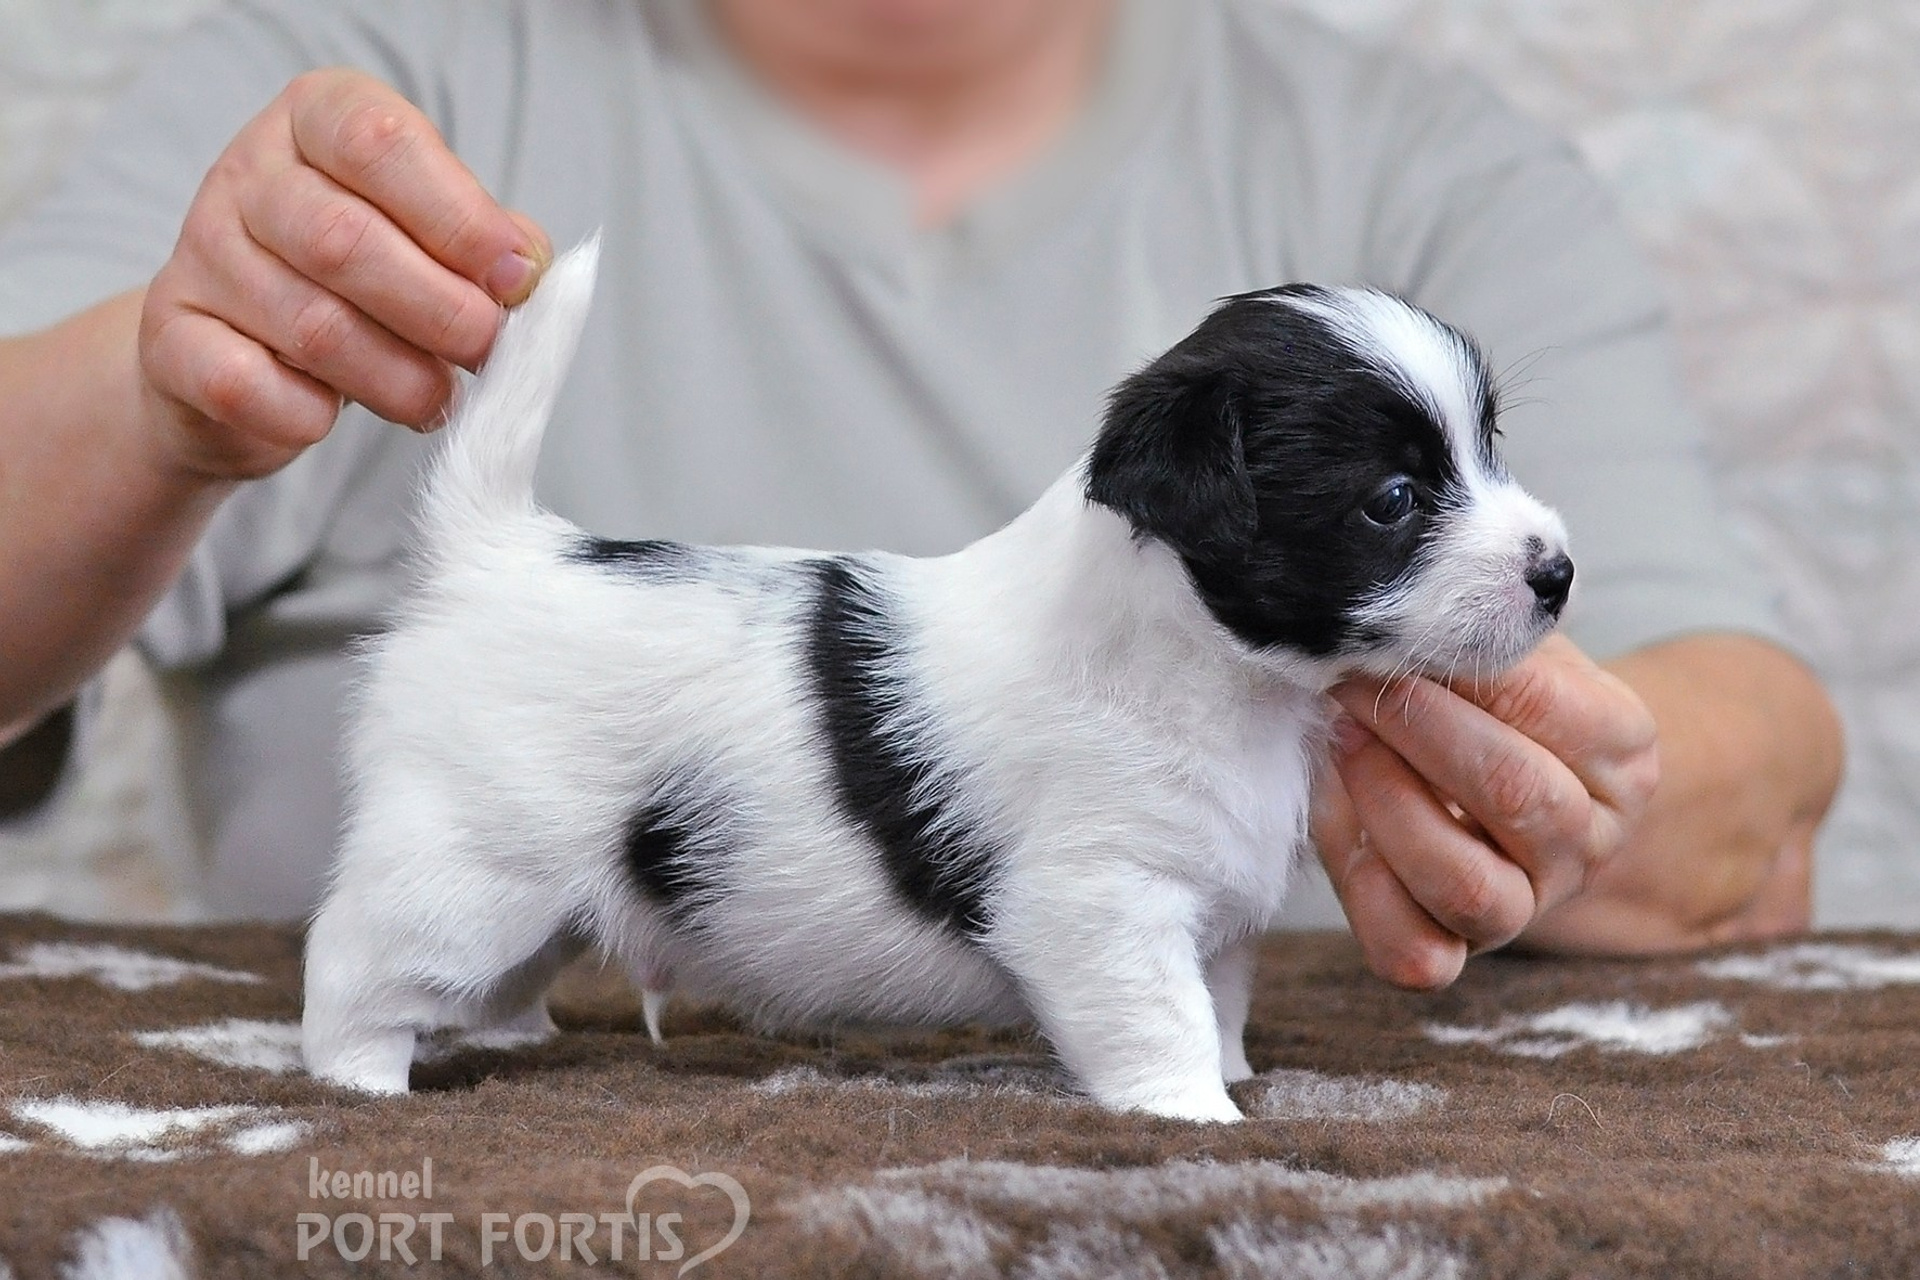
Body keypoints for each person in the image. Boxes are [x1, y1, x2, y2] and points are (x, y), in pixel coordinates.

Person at [0, 0, 1841, 988]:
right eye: (1404, 498)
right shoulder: (368, 68)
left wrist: (1564, 791)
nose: (1508, 527)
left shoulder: (1420, 167)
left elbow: (1751, 751)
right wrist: (169, 394)